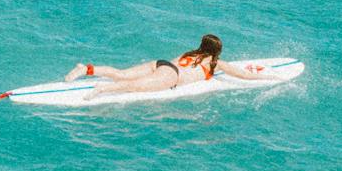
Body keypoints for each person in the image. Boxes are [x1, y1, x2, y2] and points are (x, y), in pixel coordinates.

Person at [64, 35, 284, 97]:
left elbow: (172, 65)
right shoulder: (215, 63)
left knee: (121, 73)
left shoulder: (191, 53)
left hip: (162, 63)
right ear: (216, 51)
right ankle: (103, 90)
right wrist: (270, 78)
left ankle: (86, 69)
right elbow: (243, 75)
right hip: (171, 77)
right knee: (134, 86)